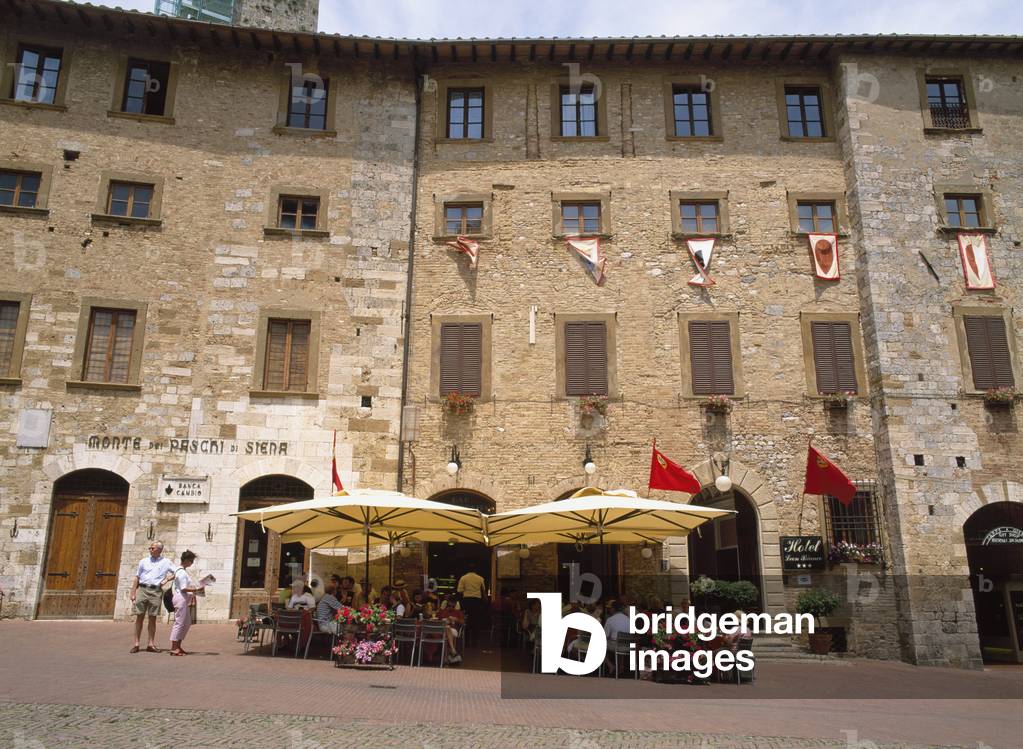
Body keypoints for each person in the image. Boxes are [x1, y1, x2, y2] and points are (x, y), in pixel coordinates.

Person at [129, 541, 175, 654]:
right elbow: (137, 577)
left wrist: (167, 579)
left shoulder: (166, 562)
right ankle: (136, 644)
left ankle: (151, 644)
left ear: (159, 550)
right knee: (139, 616)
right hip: (143, 589)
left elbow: (177, 572)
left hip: (156, 591)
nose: (150, 549)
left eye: (152, 548)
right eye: (150, 548)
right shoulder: (143, 561)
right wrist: (133, 591)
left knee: (152, 618)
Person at [169, 550, 205, 656]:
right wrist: (196, 589)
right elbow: (183, 588)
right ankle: (174, 647)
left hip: (183, 598)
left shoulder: (182, 571)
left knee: (186, 622)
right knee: (179, 622)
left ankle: (178, 645)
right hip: (180, 598)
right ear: (186, 560)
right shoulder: (181, 572)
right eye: (191, 560)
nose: (192, 563)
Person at [456, 564, 487, 645]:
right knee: (475, 620)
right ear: (475, 570)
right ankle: (474, 641)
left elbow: (459, 591)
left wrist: (460, 602)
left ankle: (466, 641)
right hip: (477, 601)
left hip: (467, 601)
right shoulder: (480, 578)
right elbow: (483, 591)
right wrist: (485, 602)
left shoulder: (463, 578)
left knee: (466, 620)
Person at [603, 600, 630, 672]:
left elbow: (605, 636)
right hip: (628, 646)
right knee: (621, 642)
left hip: (616, 645)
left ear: (613, 609)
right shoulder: (628, 619)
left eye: (610, 608)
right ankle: (621, 666)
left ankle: (610, 665)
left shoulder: (610, 620)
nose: (609, 610)